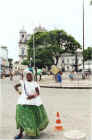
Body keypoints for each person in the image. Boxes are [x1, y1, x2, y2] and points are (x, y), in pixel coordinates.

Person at [14, 71, 49, 139]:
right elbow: (15, 86)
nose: (29, 76)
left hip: (33, 103)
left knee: (32, 118)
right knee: (21, 117)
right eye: (27, 75)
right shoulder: (23, 82)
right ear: (25, 76)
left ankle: (33, 131)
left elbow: (38, 93)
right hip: (22, 102)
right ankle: (20, 133)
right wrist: (19, 92)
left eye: (30, 75)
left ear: (32, 76)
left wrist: (32, 96)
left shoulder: (35, 83)